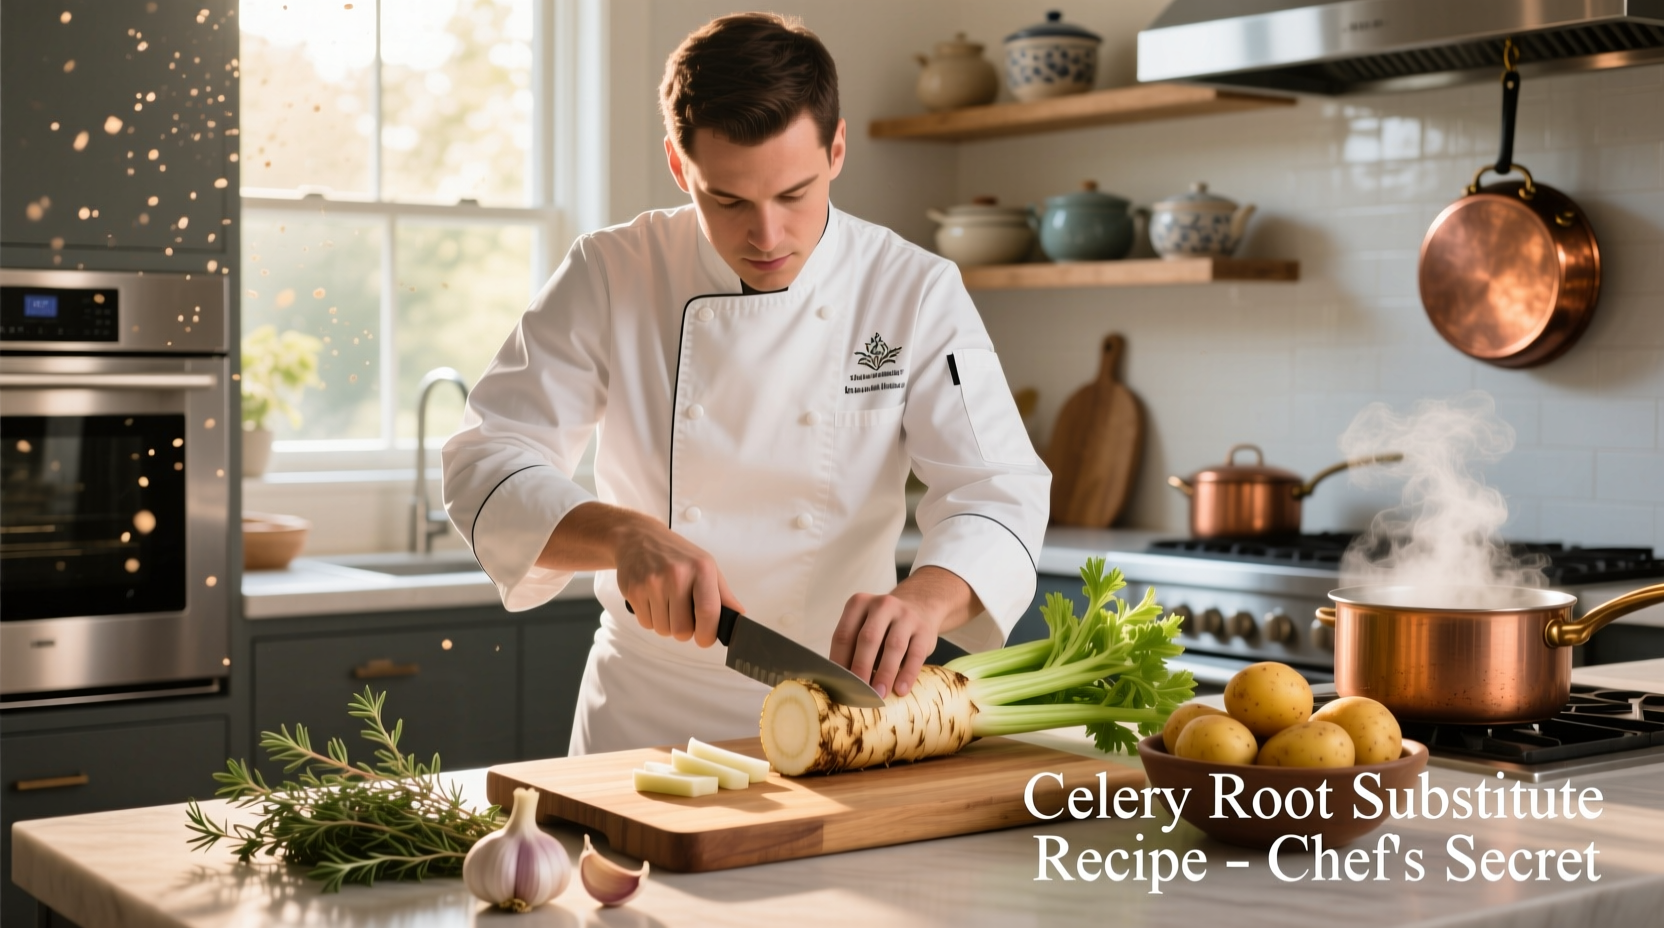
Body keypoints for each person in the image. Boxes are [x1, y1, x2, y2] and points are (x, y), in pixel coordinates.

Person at [442, 12, 1049, 755]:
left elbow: (999, 484)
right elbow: (486, 461)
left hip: (839, 716)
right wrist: (625, 534)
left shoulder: (911, 290)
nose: (767, 236)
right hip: (642, 719)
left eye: (794, 193)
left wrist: (926, 599)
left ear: (837, 149)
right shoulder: (612, 271)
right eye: (727, 200)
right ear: (677, 165)